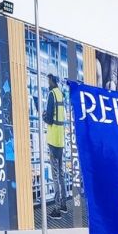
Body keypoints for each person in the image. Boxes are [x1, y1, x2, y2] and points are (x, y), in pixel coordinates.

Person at [44, 73, 68, 220]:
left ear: (52, 80)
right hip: (61, 139)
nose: (47, 82)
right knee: (61, 173)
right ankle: (64, 204)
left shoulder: (52, 94)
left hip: (53, 139)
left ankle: (57, 208)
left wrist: (43, 115)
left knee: (55, 175)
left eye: (48, 79)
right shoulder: (61, 94)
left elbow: (49, 119)